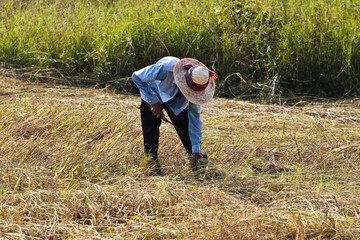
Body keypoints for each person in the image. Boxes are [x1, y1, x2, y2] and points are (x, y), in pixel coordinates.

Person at [132, 56, 218, 175]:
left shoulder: (197, 87)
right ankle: (152, 166)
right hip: (153, 92)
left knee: (186, 128)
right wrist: (153, 100)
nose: (191, 93)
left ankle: (196, 162)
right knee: (150, 131)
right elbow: (137, 76)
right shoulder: (165, 68)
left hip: (176, 102)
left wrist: (196, 150)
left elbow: (195, 120)